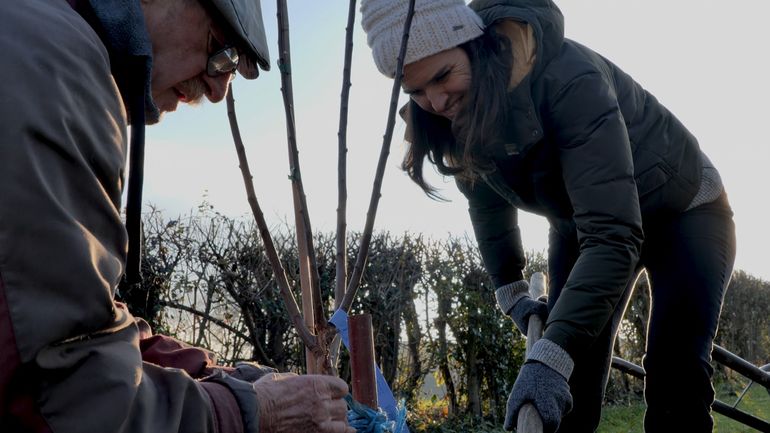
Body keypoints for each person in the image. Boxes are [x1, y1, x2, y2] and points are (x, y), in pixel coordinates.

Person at [361, 0, 736, 432]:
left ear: (473, 46)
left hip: (683, 209)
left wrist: (551, 351)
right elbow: (487, 203)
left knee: (675, 368)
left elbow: (614, 236)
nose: (437, 100)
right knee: (565, 379)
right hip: (584, 224)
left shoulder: (570, 79)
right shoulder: (454, 117)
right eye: (417, 91)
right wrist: (511, 291)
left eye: (443, 75)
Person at [0, 0, 354, 432]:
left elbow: (66, 323)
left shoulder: (32, 34)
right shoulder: (55, 64)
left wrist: (221, 377)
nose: (219, 88)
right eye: (219, 49)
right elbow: (63, 393)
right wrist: (251, 411)